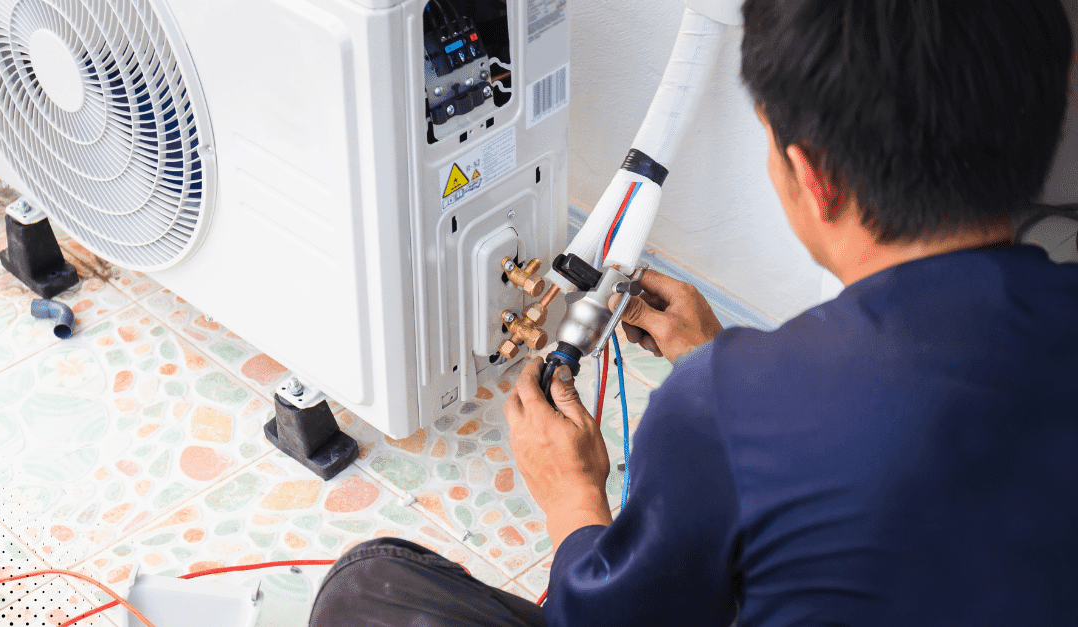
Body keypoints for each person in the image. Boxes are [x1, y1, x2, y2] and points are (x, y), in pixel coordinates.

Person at [309, 0, 1078, 625]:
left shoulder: (718, 409)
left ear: (810, 179)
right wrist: (732, 365)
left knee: (367, 591)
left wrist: (572, 495)